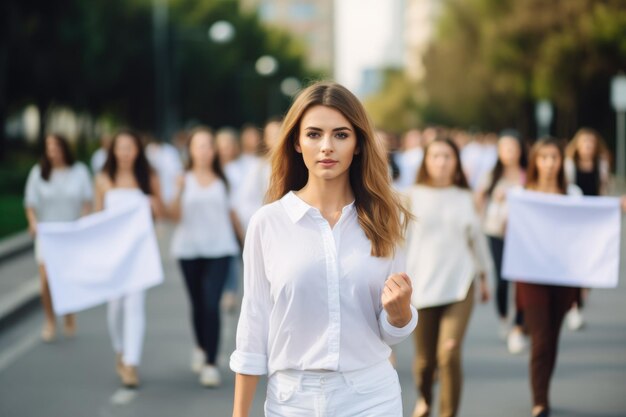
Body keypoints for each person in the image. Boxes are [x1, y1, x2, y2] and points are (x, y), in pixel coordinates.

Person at [230, 81, 418, 417]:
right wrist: (239, 413)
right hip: (292, 400)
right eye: (314, 134)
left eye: (341, 135)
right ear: (297, 143)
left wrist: (401, 313)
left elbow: (390, 332)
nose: (327, 146)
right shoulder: (268, 223)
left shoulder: (386, 220)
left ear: (358, 144)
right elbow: (253, 321)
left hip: (371, 396)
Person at [405, 137, 492, 417]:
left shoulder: (465, 197)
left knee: (449, 353)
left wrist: (484, 275)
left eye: (447, 157)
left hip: (460, 282)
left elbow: (477, 239)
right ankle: (425, 398)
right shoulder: (409, 196)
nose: (442, 162)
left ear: (456, 163)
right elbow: (397, 243)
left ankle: (447, 413)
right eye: (436, 156)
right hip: (421, 285)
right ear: (426, 162)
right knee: (424, 362)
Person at [169, 127, 244, 387]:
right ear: (190, 150)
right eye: (198, 145)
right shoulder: (183, 179)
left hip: (220, 249)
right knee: (198, 304)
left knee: (212, 304)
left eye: (208, 145)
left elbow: (233, 213)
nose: (204, 150)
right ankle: (201, 347)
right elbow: (173, 216)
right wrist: (178, 191)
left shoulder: (224, 179)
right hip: (188, 250)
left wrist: (246, 242)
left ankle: (210, 363)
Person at [517, 137, 582, 417]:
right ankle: (539, 401)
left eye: (555, 157)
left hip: (564, 276)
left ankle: (544, 390)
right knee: (541, 338)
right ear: (535, 162)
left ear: (561, 162)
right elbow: (497, 224)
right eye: (544, 158)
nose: (550, 163)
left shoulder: (573, 194)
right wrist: (498, 204)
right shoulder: (521, 193)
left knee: (552, 337)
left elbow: (587, 229)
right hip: (531, 276)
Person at [94, 129, 164, 388]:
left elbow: (162, 211)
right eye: (120, 148)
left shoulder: (149, 178)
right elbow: (98, 218)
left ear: (138, 151)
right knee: (115, 307)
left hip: (139, 254)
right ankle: (121, 350)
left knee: (135, 306)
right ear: (113, 150)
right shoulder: (103, 179)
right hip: (112, 255)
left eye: (130, 148)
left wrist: (154, 205)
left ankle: (132, 363)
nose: (125, 153)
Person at [24, 133, 93, 342]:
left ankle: (69, 314)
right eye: (48, 146)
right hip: (47, 233)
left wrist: (85, 222)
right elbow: (30, 202)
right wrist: (33, 222)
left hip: (70, 233)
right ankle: (50, 320)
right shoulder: (38, 173)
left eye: (56, 146)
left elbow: (87, 201)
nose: (52, 151)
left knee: (68, 278)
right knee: (46, 281)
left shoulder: (79, 171)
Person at [475, 130, 527, 353]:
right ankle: (505, 317)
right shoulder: (492, 174)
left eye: (513, 148)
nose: (509, 152)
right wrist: (489, 208)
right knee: (503, 278)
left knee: (523, 281)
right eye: (505, 148)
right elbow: (478, 198)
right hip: (496, 232)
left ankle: (520, 326)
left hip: (524, 235)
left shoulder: (528, 174)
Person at [563, 128, 611, 330]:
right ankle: (574, 307)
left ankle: (581, 297)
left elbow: (603, 190)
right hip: (574, 221)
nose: (587, 147)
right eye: (584, 143)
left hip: (593, 221)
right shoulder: (570, 165)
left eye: (591, 143)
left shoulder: (601, 165)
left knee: (589, 263)